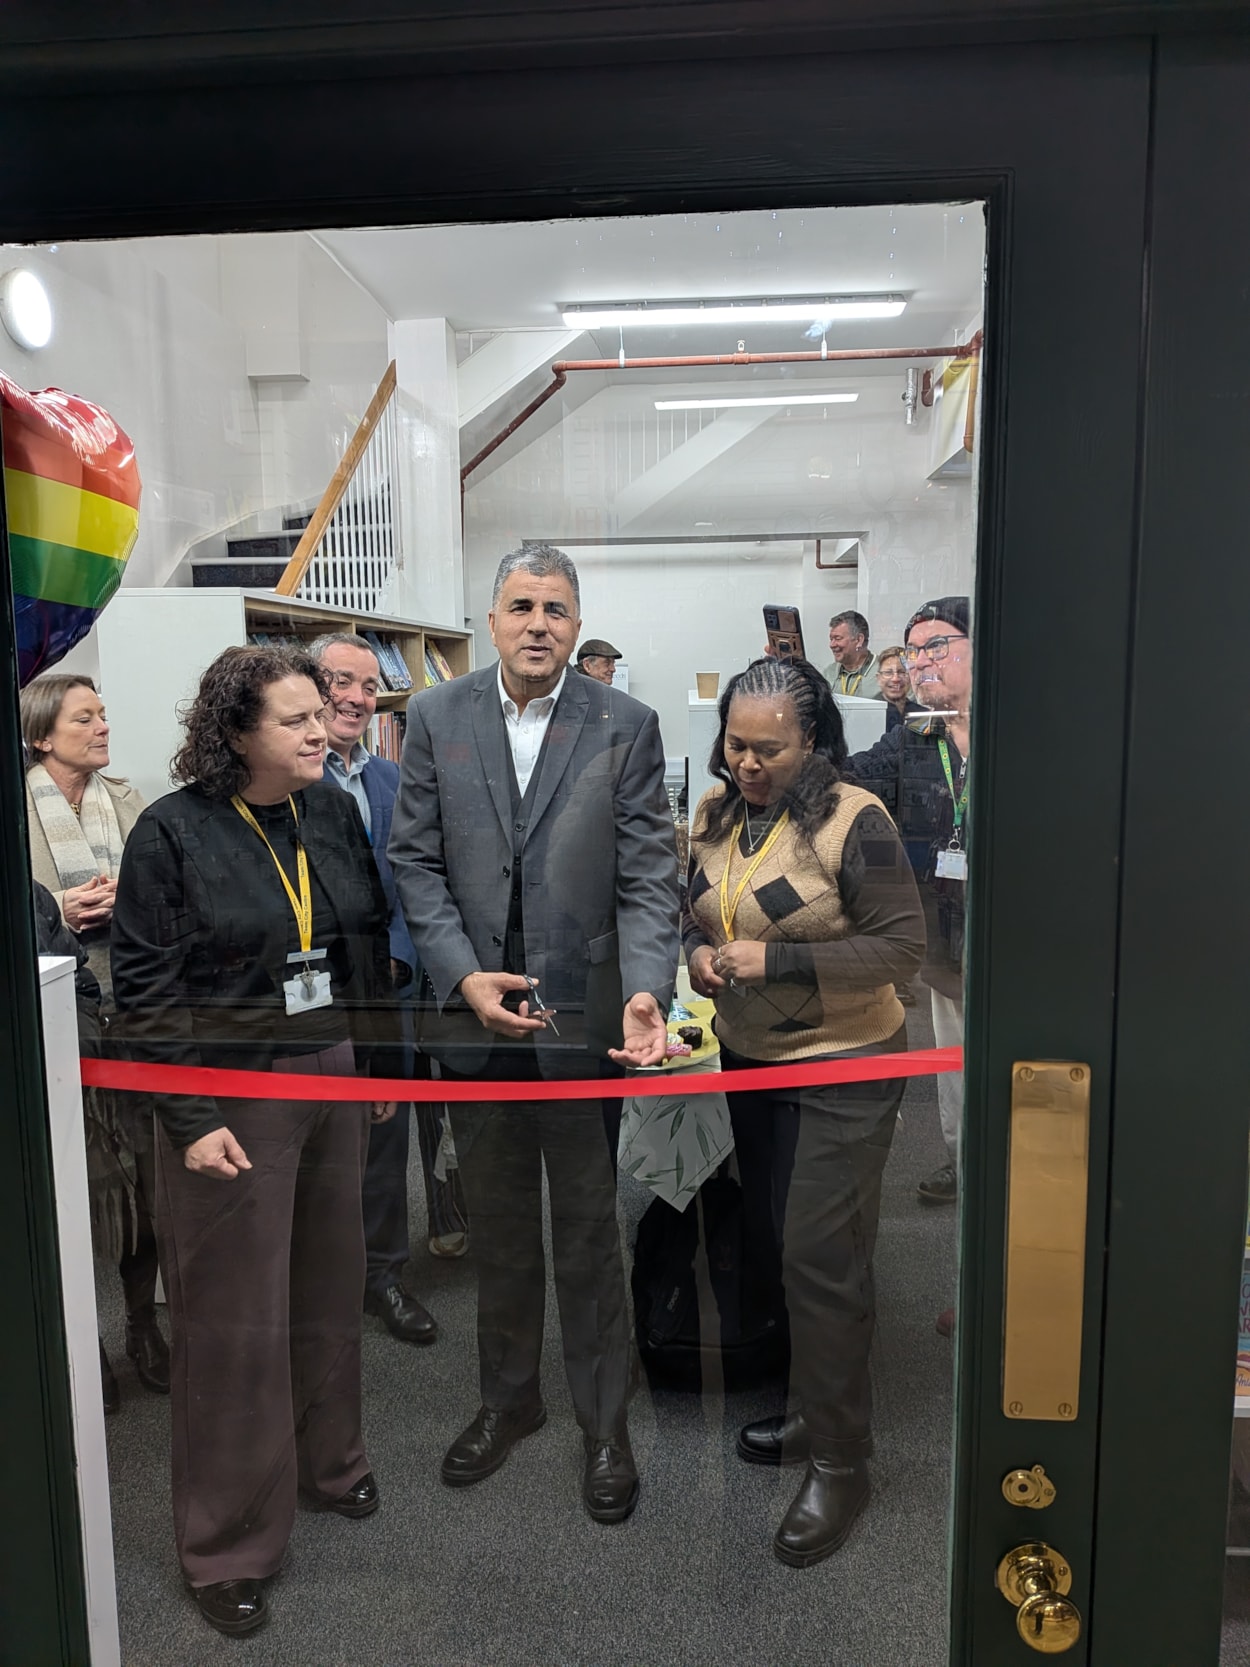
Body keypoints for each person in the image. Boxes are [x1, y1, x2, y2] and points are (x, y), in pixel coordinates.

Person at [389, 543, 679, 1525]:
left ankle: (605, 1421)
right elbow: (415, 861)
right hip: (476, 1024)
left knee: (592, 1234)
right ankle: (508, 1399)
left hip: (585, 1021)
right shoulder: (433, 714)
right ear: (493, 614)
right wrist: (457, 971)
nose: (538, 623)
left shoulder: (623, 725)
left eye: (556, 607)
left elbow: (647, 875)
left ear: (575, 616)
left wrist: (647, 988)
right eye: (521, 604)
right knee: (502, 1231)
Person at [109, 645, 395, 1638]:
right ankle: (226, 1543)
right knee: (233, 1321)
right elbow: (144, 991)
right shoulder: (169, 833)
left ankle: (330, 1462)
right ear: (235, 734)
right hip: (228, 1097)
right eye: (296, 718)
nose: (324, 728)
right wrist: (189, 1121)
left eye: (324, 711)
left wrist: (383, 1062)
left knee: (326, 1284)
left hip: (333, 1065)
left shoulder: (333, 812)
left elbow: (362, 942)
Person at [683, 655, 924, 1567]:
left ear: (814, 740)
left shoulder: (855, 819)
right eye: (736, 746)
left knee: (821, 1257)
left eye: (771, 750)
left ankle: (841, 1459)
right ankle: (816, 1405)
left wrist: (774, 964)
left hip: (846, 1064)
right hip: (752, 1063)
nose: (748, 764)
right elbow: (691, 909)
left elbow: (902, 949)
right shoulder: (712, 816)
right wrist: (701, 954)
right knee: (780, 1240)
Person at [311, 631, 465, 1351]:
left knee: (383, 1140)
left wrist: (402, 961)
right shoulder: (285, 783)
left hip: (390, 993)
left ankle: (383, 1275)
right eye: (339, 680)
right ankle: (317, 1279)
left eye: (369, 686)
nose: (354, 696)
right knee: (308, 1144)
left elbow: (417, 883)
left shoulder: (393, 782)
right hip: (308, 1001)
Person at [20, 674, 166, 1406]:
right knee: (74, 1189)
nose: (104, 725)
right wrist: (53, 912)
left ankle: (145, 1324)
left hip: (132, 1016)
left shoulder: (132, 801)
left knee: (146, 1176)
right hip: (55, 1029)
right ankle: (91, 1344)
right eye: (86, 717)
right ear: (43, 734)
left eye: (105, 712)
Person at [846, 598, 971, 1247]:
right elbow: (853, 776)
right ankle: (963, 1162)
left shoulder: (1028, 730)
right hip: (944, 946)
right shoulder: (913, 736)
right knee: (953, 1072)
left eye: (937, 646)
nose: (919, 661)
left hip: (1021, 949)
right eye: (913, 649)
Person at [819, 609, 875, 695]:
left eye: (838, 638)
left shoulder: (884, 672)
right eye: (831, 639)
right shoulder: (829, 673)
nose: (832, 645)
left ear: (859, 640)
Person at [872, 644, 926, 730]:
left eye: (902, 672)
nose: (895, 679)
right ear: (878, 678)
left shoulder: (923, 715)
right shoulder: (868, 713)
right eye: (888, 673)